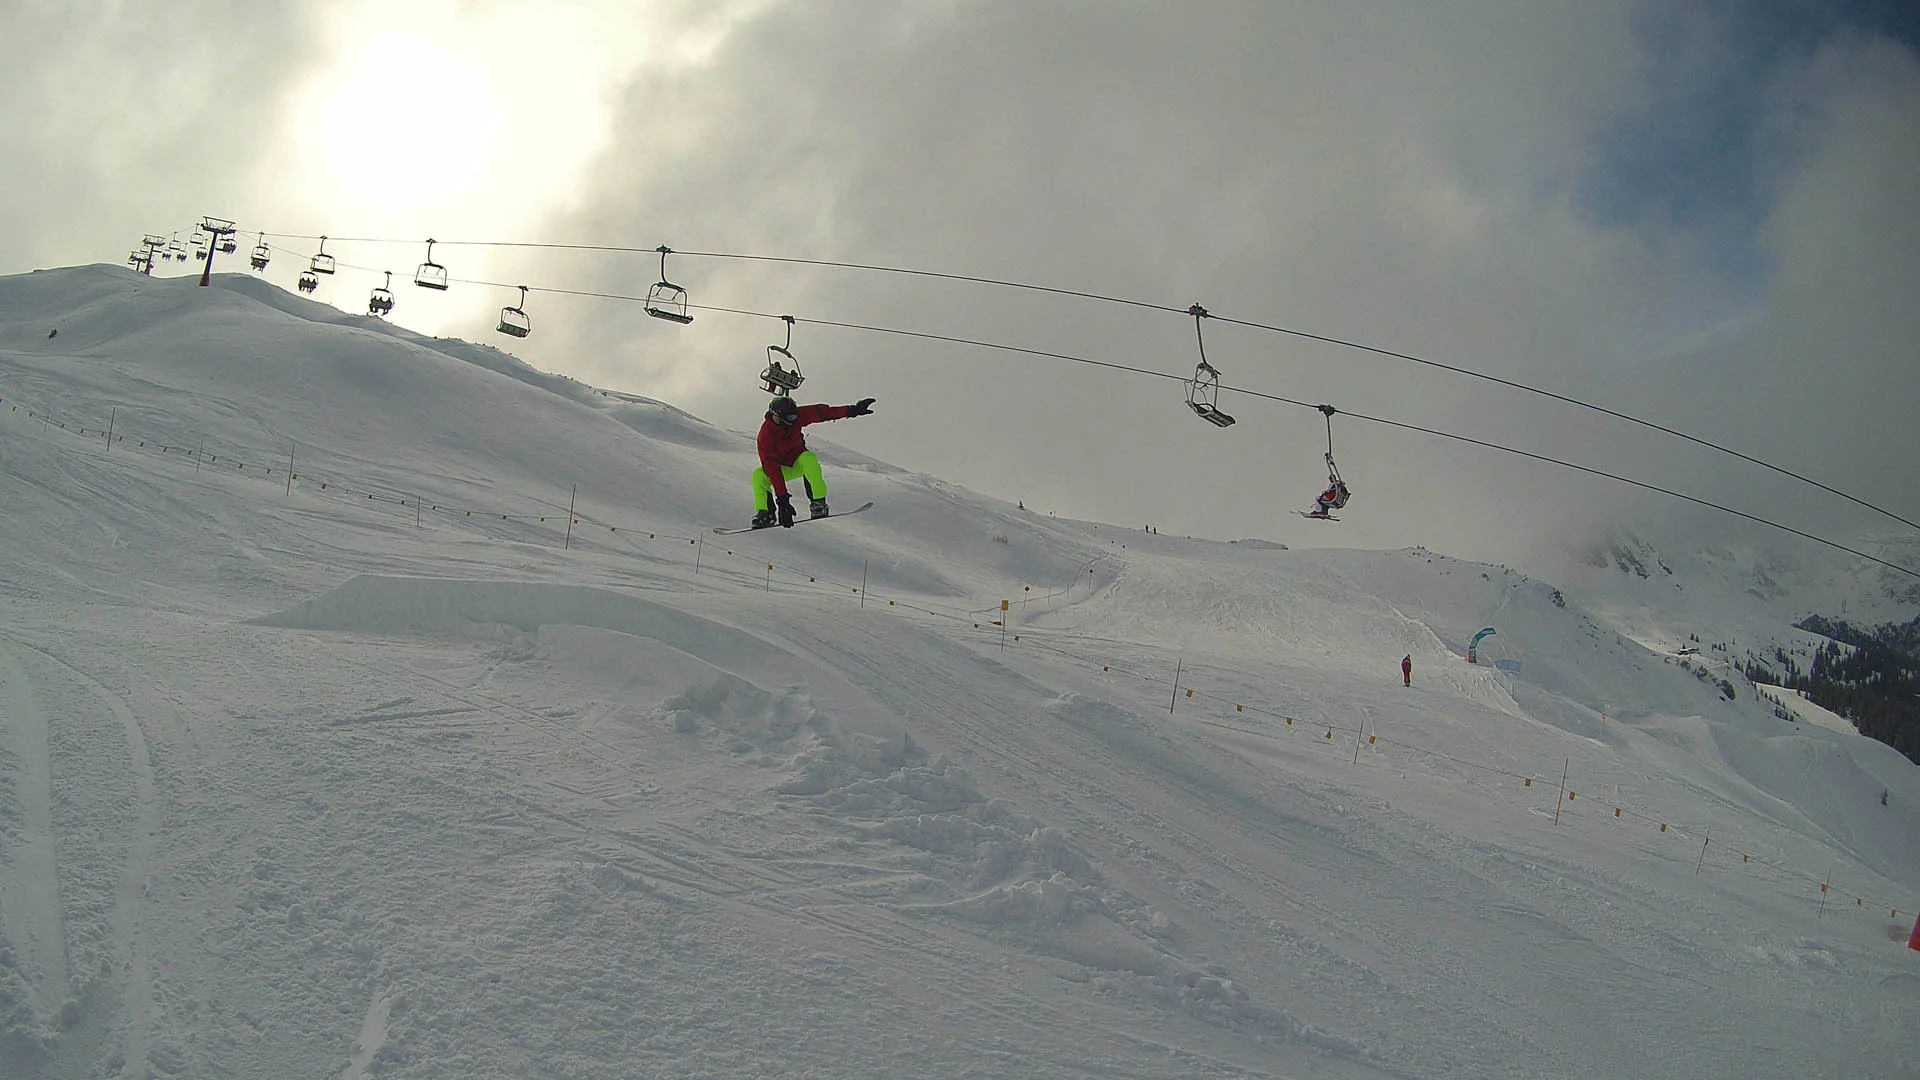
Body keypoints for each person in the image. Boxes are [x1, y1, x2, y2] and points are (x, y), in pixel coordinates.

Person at [751, 394, 876, 528]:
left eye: (794, 417)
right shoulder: (765, 436)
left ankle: (818, 503)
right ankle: (765, 513)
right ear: (776, 416)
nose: (792, 421)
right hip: (781, 468)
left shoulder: (797, 416)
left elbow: (823, 412)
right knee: (759, 475)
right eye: (789, 418)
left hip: (798, 462)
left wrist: (853, 410)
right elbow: (772, 468)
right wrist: (783, 501)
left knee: (809, 458)